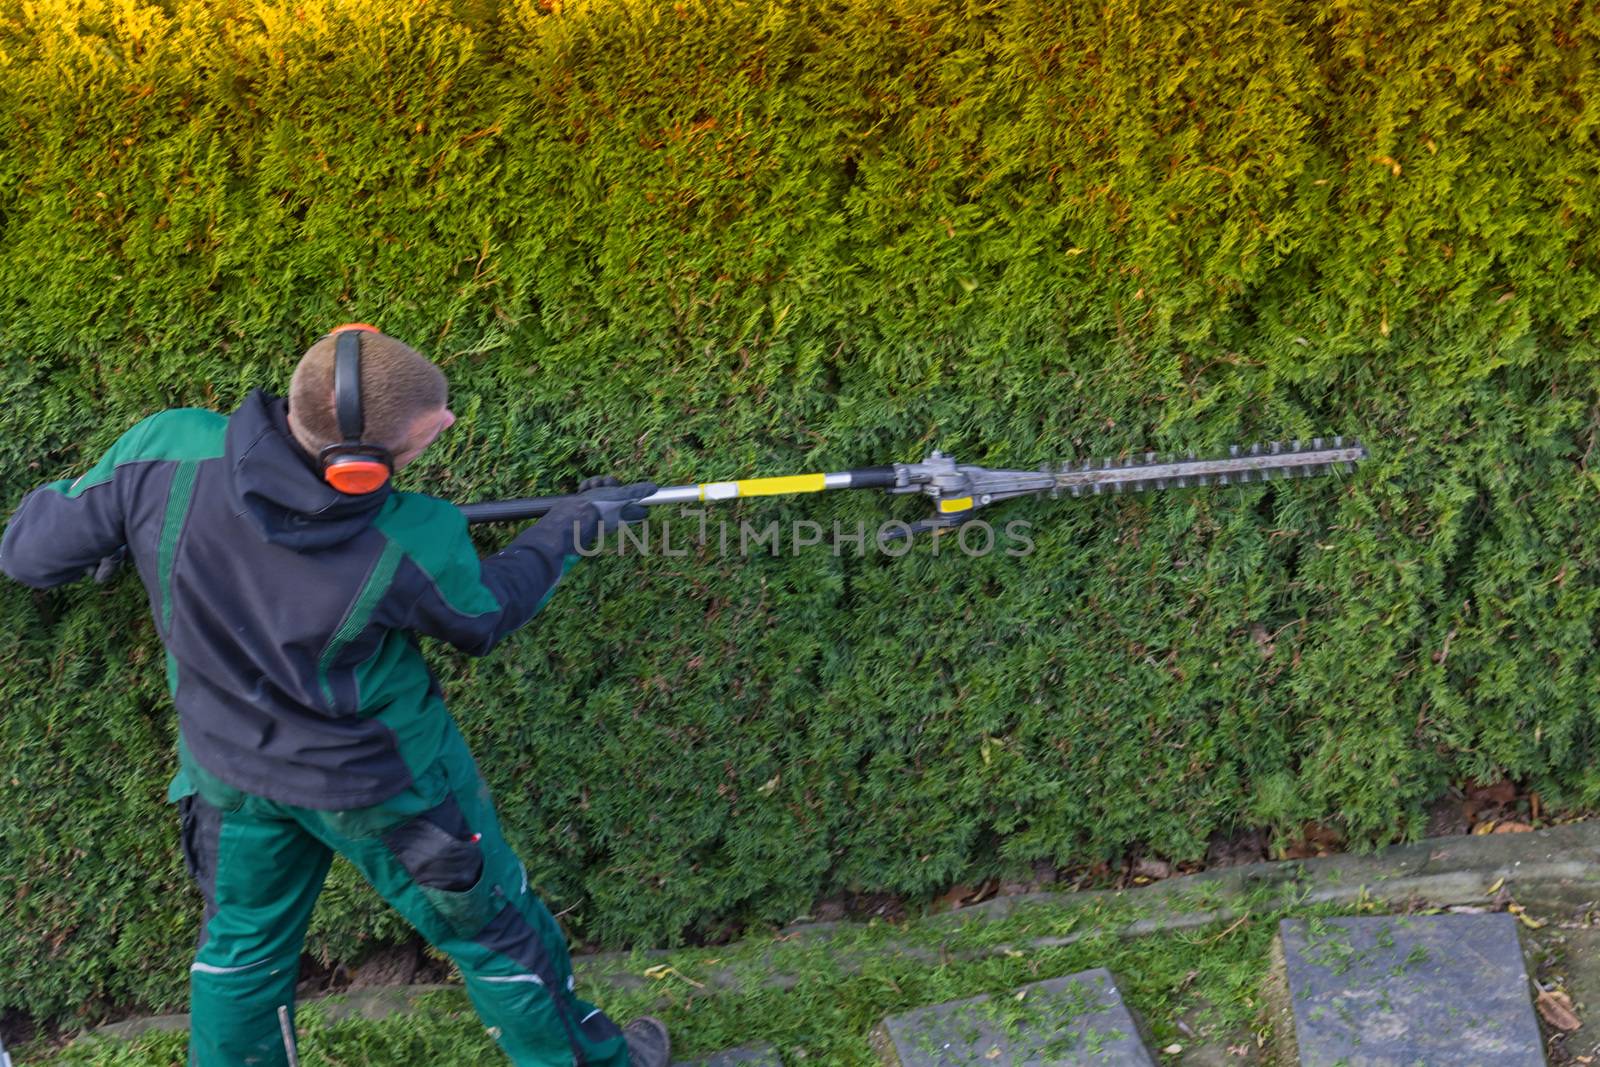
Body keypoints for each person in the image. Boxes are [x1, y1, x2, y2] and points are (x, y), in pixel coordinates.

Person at [0, 325, 668, 1067]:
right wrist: (570, 529)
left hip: (229, 779)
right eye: (423, 439)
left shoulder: (166, 451)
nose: (440, 432)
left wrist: (119, 527)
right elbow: (485, 615)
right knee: (495, 931)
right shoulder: (412, 537)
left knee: (241, 958)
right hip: (386, 794)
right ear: (356, 469)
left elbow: (28, 554)